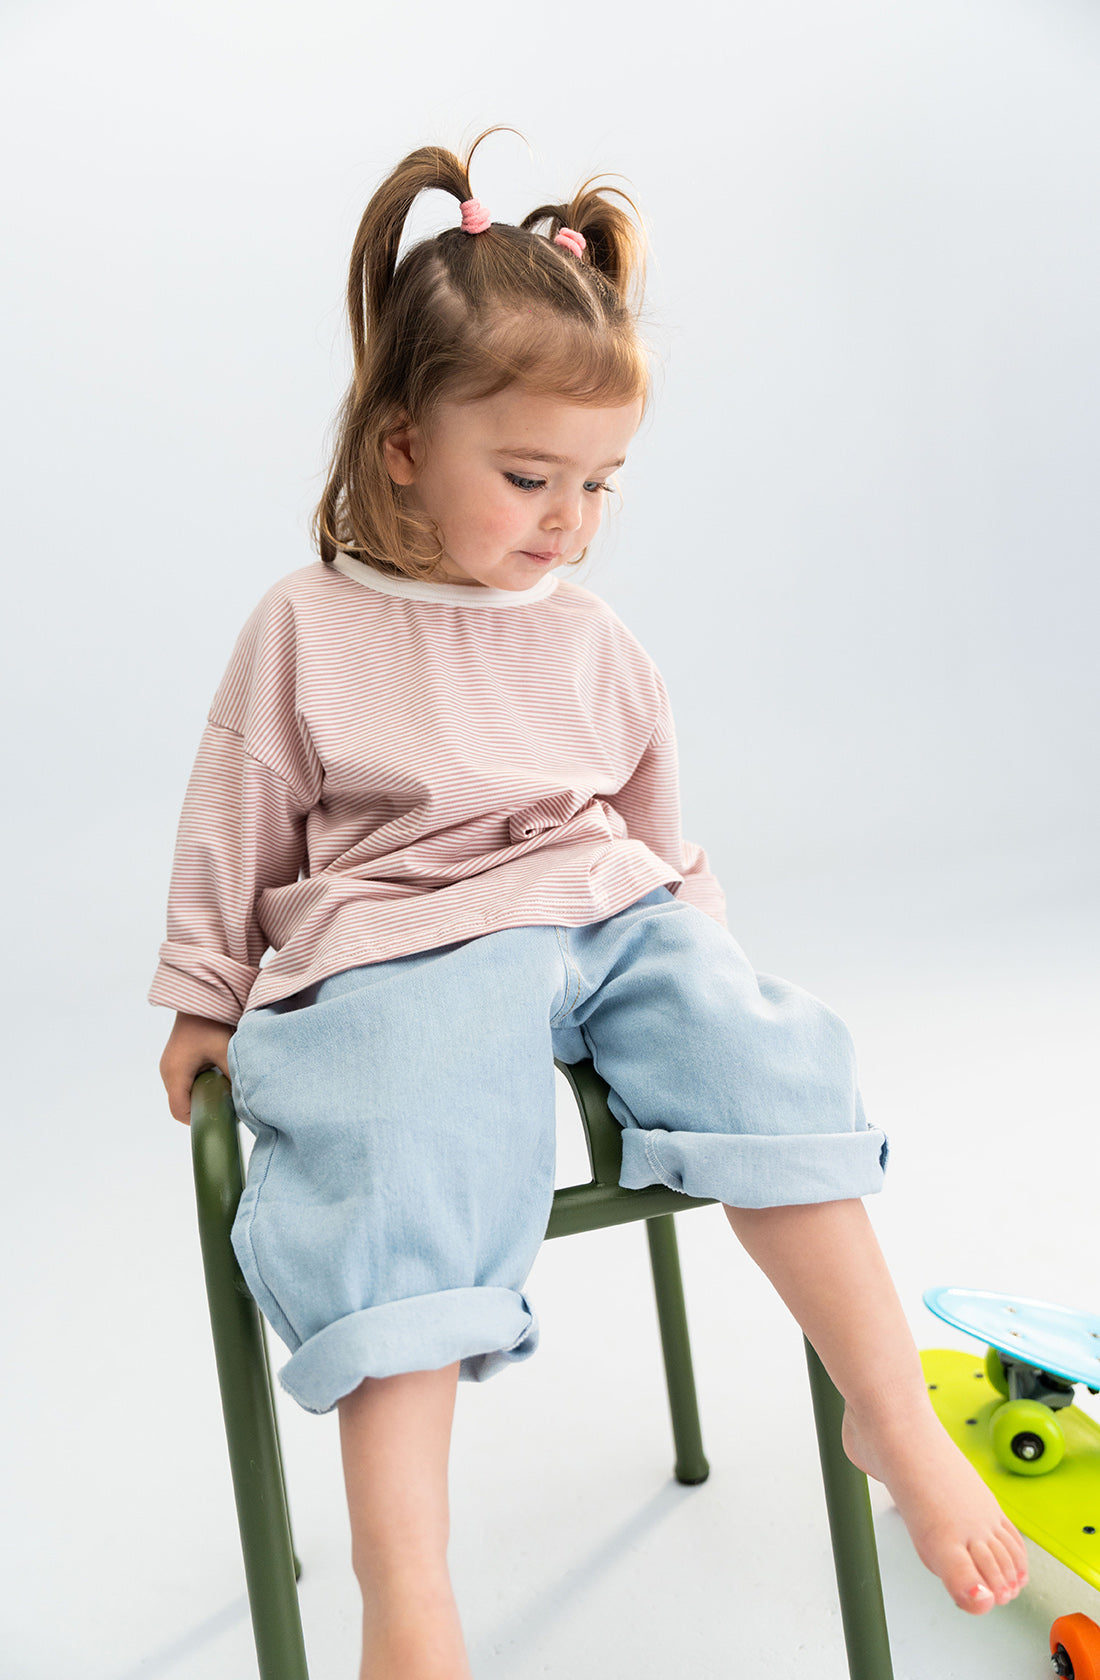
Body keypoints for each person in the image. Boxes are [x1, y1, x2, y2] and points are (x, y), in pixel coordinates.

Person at [153, 133, 1027, 1679]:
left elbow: (657, 833)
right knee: (403, 1150)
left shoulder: (593, 634)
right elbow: (239, 806)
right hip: (401, 934)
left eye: (599, 483)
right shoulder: (308, 624)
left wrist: (701, 975)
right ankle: (405, 1585)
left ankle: (889, 1414)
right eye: (531, 477)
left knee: (764, 1051)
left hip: (602, 910)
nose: (569, 518)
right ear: (405, 442)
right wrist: (207, 992)